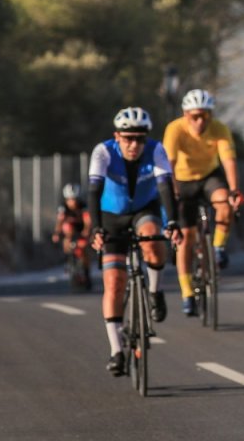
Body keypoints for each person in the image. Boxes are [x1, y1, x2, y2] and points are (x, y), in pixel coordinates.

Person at [87, 107, 182, 377]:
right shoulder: (103, 152)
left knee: (153, 240)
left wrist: (173, 222)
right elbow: (93, 191)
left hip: (143, 208)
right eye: (128, 138)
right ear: (117, 136)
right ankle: (117, 351)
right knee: (114, 284)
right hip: (111, 215)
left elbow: (165, 187)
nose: (134, 144)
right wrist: (95, 228)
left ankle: (154, 291)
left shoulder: (156, 150)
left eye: (139, 139)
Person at [162, 89, 244, 316]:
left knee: (224, 204)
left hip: (209, 176)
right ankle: (187, 293)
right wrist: (173, 191)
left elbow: (228, 161)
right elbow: (168, 164)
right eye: (194, 116)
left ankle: (218, 247)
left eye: (205, 116)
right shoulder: (174, 129)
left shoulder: (219, 129)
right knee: (186, 238)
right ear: (185, 114)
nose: (200, 121)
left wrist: (234, 189)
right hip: (183, 180)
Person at [52, 183, 92, 277]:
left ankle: (86, 271)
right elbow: (60, 221)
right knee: (67, 229)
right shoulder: (63, 208)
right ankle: (68, 258)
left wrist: (86, 231)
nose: (72, 202)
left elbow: (87, 221)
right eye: (69, 199)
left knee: (83, 247)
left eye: (73, 199)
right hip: (70, 231)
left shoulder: (83, 206)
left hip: (81, 229)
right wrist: (56, 233)